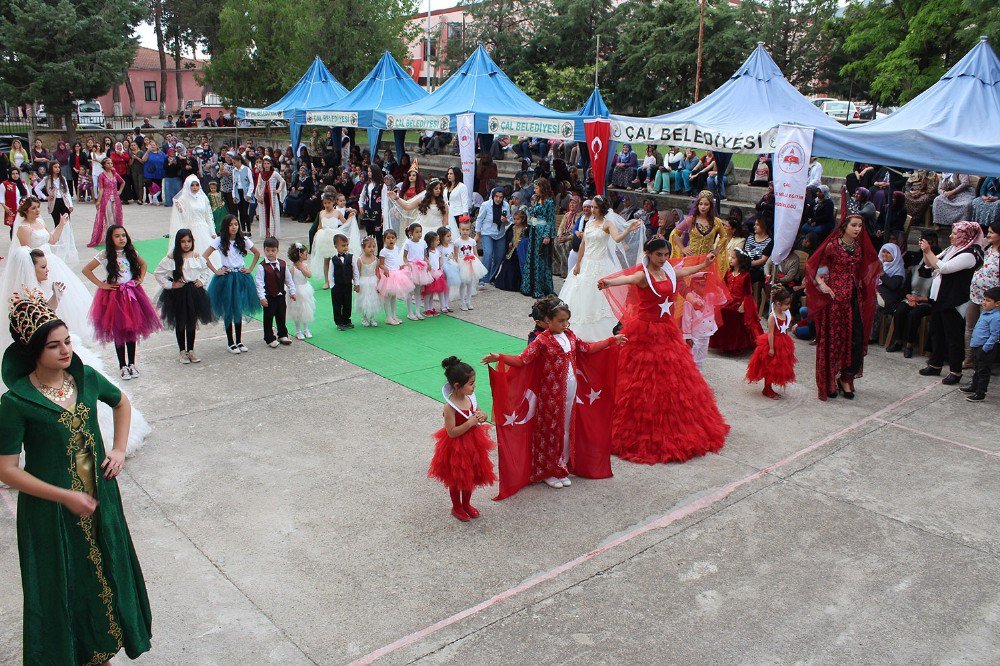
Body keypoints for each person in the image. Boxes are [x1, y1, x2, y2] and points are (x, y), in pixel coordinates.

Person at [0, 290, 152, 664]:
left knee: (106, 567)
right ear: (33, 351)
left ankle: (104, 647)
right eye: (53, 346)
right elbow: (6, 470)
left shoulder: (83, 379)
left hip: (100, 496)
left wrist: (117, 450)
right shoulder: (15, 402)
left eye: (67, 341)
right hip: (50, 512)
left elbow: (121, 402)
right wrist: (63, 495)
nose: (65, 351)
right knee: (63, 584)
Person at [598, 238, 730, 463]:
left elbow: (684, 271)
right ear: (648, 254)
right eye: (659, 255)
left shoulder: (668, 270)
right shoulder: (642, 275)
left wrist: (704, 264)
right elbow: (628, 278)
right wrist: (609, 283)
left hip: (666, 330)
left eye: (666, 254)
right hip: (645, 330)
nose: (664, 259)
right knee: (641, 378)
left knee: (674, 377)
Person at [482, 296, 626, 492]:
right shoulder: (542, 341)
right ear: (548, 321)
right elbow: (522, 360)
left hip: (571, 394)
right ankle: (547, 470)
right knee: (550, 432)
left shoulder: (571, 336)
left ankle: (562, 465)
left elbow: (588, 348)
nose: (565, 324)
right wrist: (500, 357)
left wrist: (611, 340)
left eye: (567, 320)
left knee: (567, 430)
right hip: (551, 397)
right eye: (560, 321)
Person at [805, 214, 881, 400]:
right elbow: (815, 269)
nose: (857, 229)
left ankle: (846, 377)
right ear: (845, 226)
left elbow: (867, 269)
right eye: (854, 225)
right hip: (834, 299)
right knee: (834, 340)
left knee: (855, 339)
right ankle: (830, 379)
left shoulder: (858, 248)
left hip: (853, 298)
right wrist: (822, 285)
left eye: (860, 226)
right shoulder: (832, 247)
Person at [558, 195, 643, 341]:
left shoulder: (608, 224)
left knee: (598, 297)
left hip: (601, 264)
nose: (592, 209)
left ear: (602, 208)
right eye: (591, 207)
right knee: (579, 294)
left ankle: (600, 332)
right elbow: (583, 243)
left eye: (595, 207)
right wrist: (578, 263)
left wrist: (628, 230)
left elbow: (616, 239)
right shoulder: (589, 223)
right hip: (586, 263)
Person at [82, 225, 161, 379]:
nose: (121, 238)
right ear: (111, 239)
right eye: (117, 236)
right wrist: (102, 284)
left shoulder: (131, 252)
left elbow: (143, 264)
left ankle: (132, 363)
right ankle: (122, 365)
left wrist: (140, 278)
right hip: (115, 297)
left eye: (123, 235)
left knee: (131, 329)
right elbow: (86, 270)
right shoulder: (105, 254)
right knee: (119, 330)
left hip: (132, 294)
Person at [428, 356, 496, 521]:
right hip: (456, 445)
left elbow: (480, 412)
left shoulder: (470, 397)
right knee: (457, 478)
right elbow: (451, 432)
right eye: (471, 383)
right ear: (457, 386)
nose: (474, 386)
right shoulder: (449, 406)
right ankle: (456, 507)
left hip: (474, 442)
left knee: (471, 476)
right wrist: (470, 422)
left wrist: (482, 415)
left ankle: (466, 504)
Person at [918, 221, 985, 385]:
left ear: (965, 236)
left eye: (955, 233)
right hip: (939, 297)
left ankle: (955, 371)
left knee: (953, 336)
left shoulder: (970, 254)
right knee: (937, 332)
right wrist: (925, 252)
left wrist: (928, 251)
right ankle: (935, 363)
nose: (951, 236)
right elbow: (930, 264)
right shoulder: (951, 249)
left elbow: (945, 268)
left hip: (954, 300)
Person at [153, 228, 216, 364]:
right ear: (178, 242)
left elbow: (205, 270)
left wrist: (202, 281)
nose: (186, 244)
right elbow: (158, 273)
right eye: (183, 241)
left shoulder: (196, 256)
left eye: (189, 241)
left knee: (191, 321)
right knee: (180, 321)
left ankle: (191, 350)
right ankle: (182, 351)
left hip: (194, 293)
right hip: (178, 293)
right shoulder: (171, 257)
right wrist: (171, 284)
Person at [205, 215, 261, 353]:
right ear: (226, 227)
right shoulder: (219, 240)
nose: (234, 227)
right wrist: (216, 271)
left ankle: (239, 341)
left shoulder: (243, 240)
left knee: (238, 309)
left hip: (241, 277)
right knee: (228, 309)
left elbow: (257, 253)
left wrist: (249, 269)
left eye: (236, 224)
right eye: (231, 225)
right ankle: (230, 342)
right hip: (226, 278)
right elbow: (205, 255)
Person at [886, 231, 939, 357]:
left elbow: (935, 295)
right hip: (911, 298)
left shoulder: (937, 274)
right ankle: (898, 341)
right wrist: (909, 297)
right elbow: (905, 288)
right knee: (900, 310)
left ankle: (909, 345)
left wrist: (920, 299)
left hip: (927, 302)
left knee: (914, 314)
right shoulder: (915, 268)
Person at [746, 286, 797, 399]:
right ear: (778, 304)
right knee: (769, 366)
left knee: (779, 366)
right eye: (786, 304)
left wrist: (787, 344)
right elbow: (771, 333)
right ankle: (767, 388)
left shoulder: (786, 313)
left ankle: (769, 387)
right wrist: (771, 348)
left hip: (783, 343)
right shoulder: (772, 317)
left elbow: (786, 328)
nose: (788, 307)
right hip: (772, 343)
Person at [710, 249, 762, 353]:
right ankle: (723, 344)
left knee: (736, 321)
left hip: (738, 302)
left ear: (741, 260)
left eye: (733, 258)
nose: (730, 259)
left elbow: (748, 293)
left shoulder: (745, 275)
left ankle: (735, 346)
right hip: (727, 301)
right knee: (723, 316)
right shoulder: (729, 272)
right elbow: (723, 286)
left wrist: (743, 305)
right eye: (730, 257)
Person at [966, 221, 1000, 366]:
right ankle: (969, 357)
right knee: (970, 326)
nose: (988, 235)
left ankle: (983, 360)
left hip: (991, 298)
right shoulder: (986, 246)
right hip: (975, 293)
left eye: (992, 232)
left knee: (987, 329)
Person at [960, 286, 999, 402]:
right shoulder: (985, 313)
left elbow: (994, 335)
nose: (984, 302)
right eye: (984, 299)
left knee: (983, 371)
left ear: (997, 304)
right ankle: (974, 386)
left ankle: (980, 392)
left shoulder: (996, 317)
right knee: (976, 368)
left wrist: (986, 348)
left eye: (988, 300)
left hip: (986, 348)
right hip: (977, 345)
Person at [35, 160, 78, 266]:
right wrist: (45, 197)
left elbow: (67, 191)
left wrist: (70, 205)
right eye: (55, 167)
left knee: (67, 222)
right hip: (54, 203)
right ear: (51, 168)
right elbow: (37, 188)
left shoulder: (62, 179)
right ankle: (58, 240)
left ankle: (68, 241)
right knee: (57, 222)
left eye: (58, 167)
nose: (57, 169)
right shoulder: (47, 179)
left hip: (63, 202)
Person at [255, 236, 296, 347]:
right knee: (268, 318)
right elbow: (259, 284)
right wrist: (262, 297)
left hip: (280, 295)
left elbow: (288, 279)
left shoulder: (282, 264)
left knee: (281, 315)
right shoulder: (261, 267)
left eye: (273, 250)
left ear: (277, 250)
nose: (270, 253)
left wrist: (292, 291)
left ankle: (282, 334)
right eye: (267, 250)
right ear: (264, 250)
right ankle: (269, 338)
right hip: (269, 296)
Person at [520, 178, 556, 299]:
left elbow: (550, 220)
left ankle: (541, 288)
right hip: (534, 232)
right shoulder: (537, 200)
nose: (534, 190)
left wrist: (547, 235)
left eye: (536, 187)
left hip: (542, 232)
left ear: (543, 187)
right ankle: (530, 286)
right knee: (532, 258)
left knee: (541, 260)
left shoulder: (549, 202)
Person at [168, 173, 217, 255]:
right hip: (191, 229)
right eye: (192, 185)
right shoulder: (183, 199)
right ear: (188, 186)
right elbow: (183, 218)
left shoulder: (203, 198)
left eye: (197, 185)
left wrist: (213, 232)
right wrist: (180, 210)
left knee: (208, 254)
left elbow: (208, 215)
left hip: (204, 229)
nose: (195, 187)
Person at [475, 188, 511, 287]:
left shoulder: (506, 205)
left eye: (500, 197)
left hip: (500, 234)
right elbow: (480, 219)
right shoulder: (486, 205)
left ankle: (491, 277)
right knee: (488, 254)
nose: (498, 199)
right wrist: (478, 234)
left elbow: (509, 221)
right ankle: (482, 278)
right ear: (493, 196)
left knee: (499, 257)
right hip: (487, 233)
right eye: (496, 196)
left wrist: (505, 221)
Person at [87, 158, 125, 248]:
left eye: (111, 163)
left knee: (116, 217)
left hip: (115, 198)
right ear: (104, 165)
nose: (110, 165)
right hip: (106, 198)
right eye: (108, 163)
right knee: (109, 218)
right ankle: (110, 237)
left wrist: (119, 191)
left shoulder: (115, 174)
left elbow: (123, 182)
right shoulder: (101, 176)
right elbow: (101, 189)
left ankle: (118, 235)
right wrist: (98, 200)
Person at [377, 229, 412, 326]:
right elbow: (381, 264)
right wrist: (385, 268)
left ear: (396, 239)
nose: (390, 240)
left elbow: (396, 260)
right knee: (387, 297)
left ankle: (393, 315)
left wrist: (400, 266)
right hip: (388, 276)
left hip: (396, 274)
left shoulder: (396, 248)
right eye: (388, 238)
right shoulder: (383, 251)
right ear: (384, 240)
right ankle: (388, 317)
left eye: (393, 238)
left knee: (394, 297)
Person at [285, 242, 315, 339]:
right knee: (297, 311)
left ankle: (306, 329)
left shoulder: (304, 265)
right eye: (306, 253)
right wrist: (291, 291)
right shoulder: (292, 268)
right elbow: (288, 281)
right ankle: (298, 330)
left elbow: (309, 275)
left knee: (305, 309)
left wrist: (302, 267)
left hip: (305, 289)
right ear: (300, 255)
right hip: (296, 290)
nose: (307, 255)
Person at [456, 219, 487, 311]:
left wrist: (476, 262)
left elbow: (475, 253)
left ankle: (468, 301)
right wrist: (457, 265)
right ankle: (462, 302)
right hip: (462, 263)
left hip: (471, 263)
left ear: (470, 230)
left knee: (470, 283)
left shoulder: (472, 241)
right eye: (463, 229)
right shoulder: (457, 242)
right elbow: (456, 254)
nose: (465, 232)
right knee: (463, 283)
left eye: (467, 230)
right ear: (459, 229)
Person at [254, 156, 286, 238]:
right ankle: (267, 232)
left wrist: (278, 190)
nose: (266, 165)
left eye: (268, 163)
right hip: (264, 197)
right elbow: (259, 186)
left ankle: (273, 233)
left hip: (272, 197)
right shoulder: (261, 174)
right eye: (264, 163)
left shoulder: (274, 173)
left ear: (271, 164)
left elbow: (282, 181)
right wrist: (259, 196)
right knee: (265, 215)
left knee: (272, 214)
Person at [328, 234, 354, 331]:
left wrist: (356, 282)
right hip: (337, 286)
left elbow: (354, 270)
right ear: (336, 246)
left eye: (347, 245)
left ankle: (347, 319)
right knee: (337, 304)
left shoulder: (351, 257)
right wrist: (332, 285)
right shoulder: (333, 259)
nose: (346, 247)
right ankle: (339, 322)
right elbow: (330, 273)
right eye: (343, 245)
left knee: (347, 303)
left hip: (347, 284)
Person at [356, 236, 381, 327]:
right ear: (363, 248)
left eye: (373, 246)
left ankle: (372, 318)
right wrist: (356, 284)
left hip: (373, 281)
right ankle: (364, 317)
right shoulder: (360, 260)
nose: (372, 249)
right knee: (364, 300)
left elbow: (377, 271)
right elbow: (357, 273)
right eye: (369, 247)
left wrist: (378, 283)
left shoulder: (375, 259)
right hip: (363, 281)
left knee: (373, 299)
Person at [422, 231, 447, 316]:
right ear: (430, 242)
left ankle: (431, 308)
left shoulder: (437, 251)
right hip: (429, 274)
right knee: (428, 293)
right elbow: (425, 261)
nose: (438, 242)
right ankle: (426, 309)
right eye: (436, 240)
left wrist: (440, 266)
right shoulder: (427, 252)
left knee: (432, 293)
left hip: (437, 274)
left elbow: (440, 259)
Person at [230, 154, 254, 236]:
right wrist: (234, 195)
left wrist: (249, 193)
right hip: (238, 192)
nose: (234, 165)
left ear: (239, 161)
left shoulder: (246, 169)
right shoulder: (234, 171)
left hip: (245, 192)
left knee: (245, 211)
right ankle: (242, 229)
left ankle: (248, 230)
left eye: (235, 163)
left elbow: (251, 182)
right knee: (240, 211)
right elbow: (234, 184)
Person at [437, 226, 460, 310]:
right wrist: (441, 269)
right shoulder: (439, 248)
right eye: (447, 236)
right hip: (443, 267)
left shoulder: (451, 245)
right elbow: (439, 259)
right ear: (441, 237)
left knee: (448, 286)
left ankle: (446, 304)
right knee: (441, 287)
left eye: (450, 236)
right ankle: (442, 305)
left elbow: (454, 256)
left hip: (451, 267)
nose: (449, 238)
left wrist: (456, 264)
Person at [2, 166, 28, 238]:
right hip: (11, 209)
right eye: (13, 174)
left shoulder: (22, 183)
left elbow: (28, 195)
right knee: (13, 227)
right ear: (10, 174)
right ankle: (13, 243)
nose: (15, 175)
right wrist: (5, 207)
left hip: (23, 209)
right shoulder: (5, 184)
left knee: (23, 226)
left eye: (17, 173)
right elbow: (1, 197)